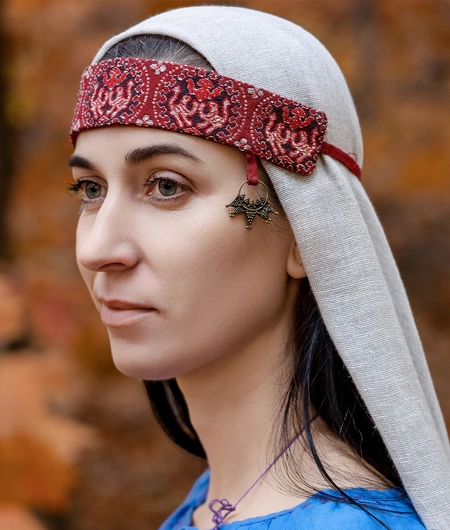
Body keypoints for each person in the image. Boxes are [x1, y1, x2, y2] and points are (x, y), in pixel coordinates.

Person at [68, 5, 450, 530]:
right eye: (91, 189)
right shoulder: (211, 505)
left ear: (305, 233)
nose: (98, 250)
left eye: (167, 186)